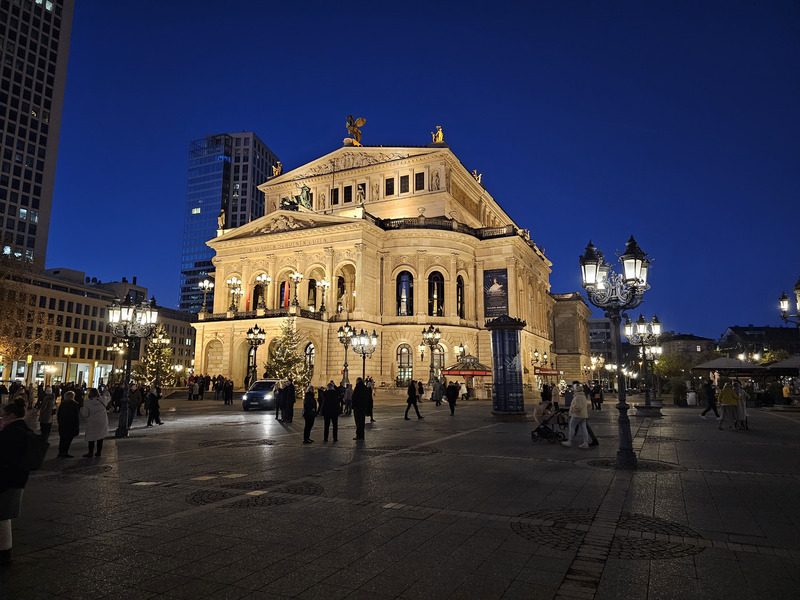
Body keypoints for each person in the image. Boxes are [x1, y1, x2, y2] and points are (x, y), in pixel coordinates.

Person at [0, 403, 33, 566]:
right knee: (4, 517)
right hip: (17, 479)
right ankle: (5, 552)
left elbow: (5, 457)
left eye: (4, 415)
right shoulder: (24, 429)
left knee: (2, 516)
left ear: (12, 415)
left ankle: (4, 554)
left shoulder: (11, 432)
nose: (2, 418)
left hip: (6, 480)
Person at [81, 388, 109, 457]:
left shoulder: (88, 403)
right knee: (100, 437)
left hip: (92, 422)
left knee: (91, 437)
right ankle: (99, 452)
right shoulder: (102, 400)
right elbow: (108, 397)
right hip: (102, 421)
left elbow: (85, 414)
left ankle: (90, 452)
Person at [562, 382, 590, 448]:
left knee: (572, 427)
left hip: (577, 415)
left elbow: (578, 407)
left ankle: (570, 441)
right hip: (583, 415)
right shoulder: (583, 396)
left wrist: (572, 409)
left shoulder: (578, 397)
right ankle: (585, 443)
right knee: (584, 428)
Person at [56, 390, 80, 458]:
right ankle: (65, 452)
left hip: (63, 424)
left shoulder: (62, 404)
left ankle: (61, 452)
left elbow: (59, 414)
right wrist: (76, 425)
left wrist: (59, 422)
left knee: (62, 439)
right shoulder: (74, 404)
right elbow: (75, 416)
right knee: (68, 439)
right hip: (70, 425)